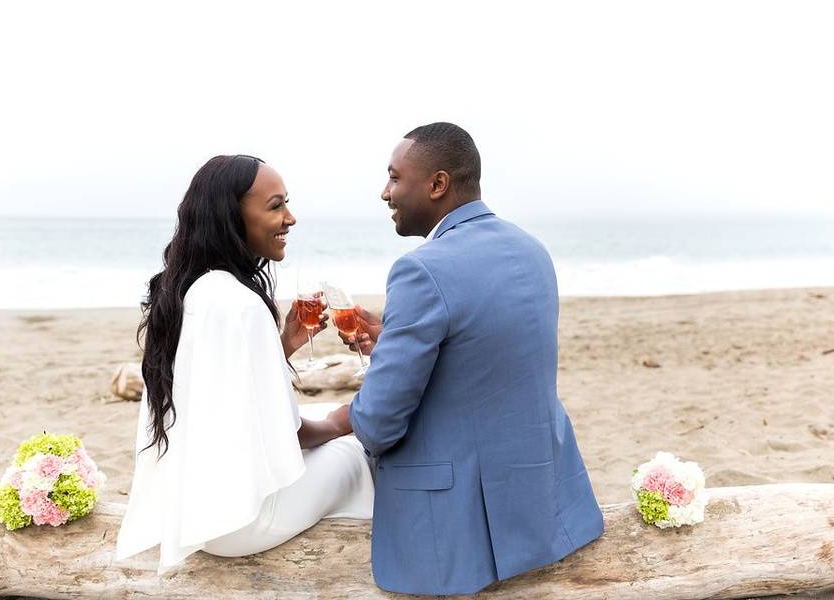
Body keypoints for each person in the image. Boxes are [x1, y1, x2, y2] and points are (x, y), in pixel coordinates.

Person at [335, 123, 604, 595]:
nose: (385, 192)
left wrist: (332, 421)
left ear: (437, 184)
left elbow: (378, 424)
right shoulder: (531, 249)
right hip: (546, 498)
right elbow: (486, 356)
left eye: (395, 178)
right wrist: (394, 338)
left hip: (458, 529)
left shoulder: (421, 269)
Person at [116, 155, 373, 572]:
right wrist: (346, 422)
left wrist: (282, 346)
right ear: (231, 219)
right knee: (355, 452)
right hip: (239, 522)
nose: (290, 218)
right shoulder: (241, 303)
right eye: (275, 206)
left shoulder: (189, 290)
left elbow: (222, 391)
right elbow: (292, 433)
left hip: (189, 509)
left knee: (325, 422)